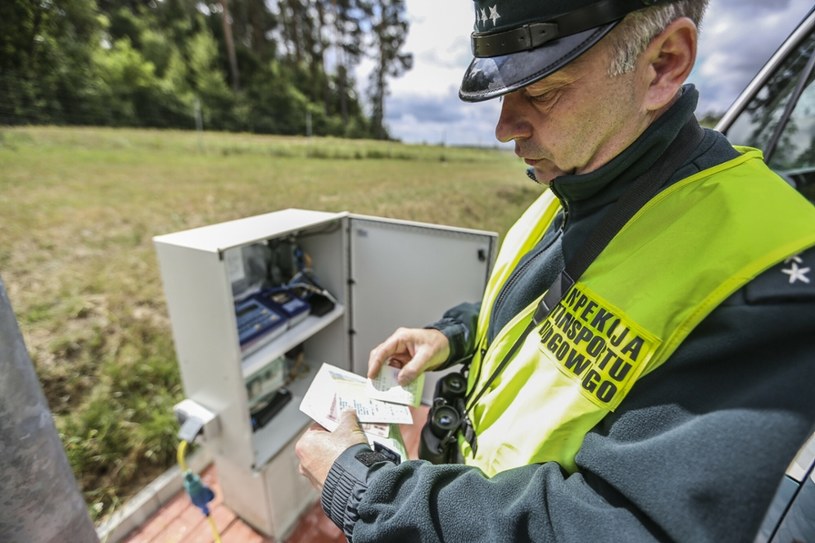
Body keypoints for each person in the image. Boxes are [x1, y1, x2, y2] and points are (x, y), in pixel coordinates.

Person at [295, 0, 815, 540]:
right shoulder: (577, 178)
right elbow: (537, 312)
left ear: (664, 63)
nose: (503, 128)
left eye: (541, 92)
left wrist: (367, 491)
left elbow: (618, 525)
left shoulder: (772, 272)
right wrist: (452, 335)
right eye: (503, 93)